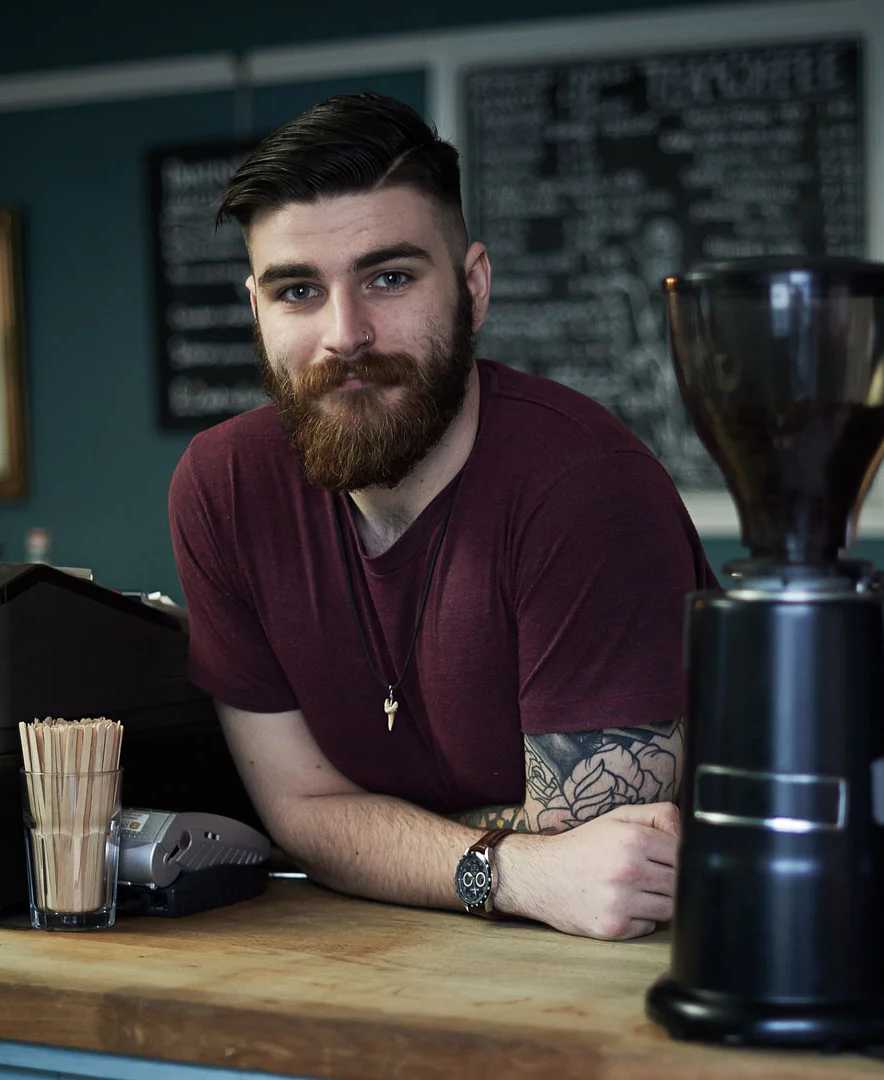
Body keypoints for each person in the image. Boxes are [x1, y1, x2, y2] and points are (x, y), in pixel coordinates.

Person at [167, 92, 716, 941]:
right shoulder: (224, 486)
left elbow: (606, 866)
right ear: (256, 309)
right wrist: (503, 864)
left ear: (474, 287)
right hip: (401, 966)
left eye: (389, 277)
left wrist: (380, 833)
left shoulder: (585, 485)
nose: (344, 333)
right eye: (299, 290)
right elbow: (300, 810)